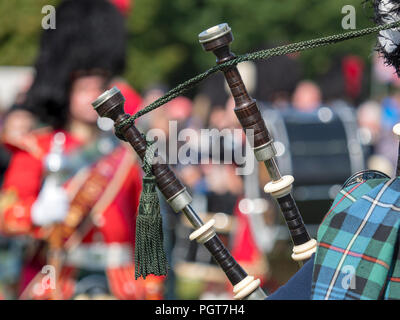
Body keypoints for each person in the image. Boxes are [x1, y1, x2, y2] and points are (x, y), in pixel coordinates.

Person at [0, 0, 163, 300]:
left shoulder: (124, 153)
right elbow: (7, 213)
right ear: (66, 89)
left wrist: (151, 286)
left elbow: (147, 226)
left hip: (121, 285)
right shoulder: (36, 148)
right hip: (62, 281)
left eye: (97, 85)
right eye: (83, 87)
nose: (93, 95)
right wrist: (35, 214)